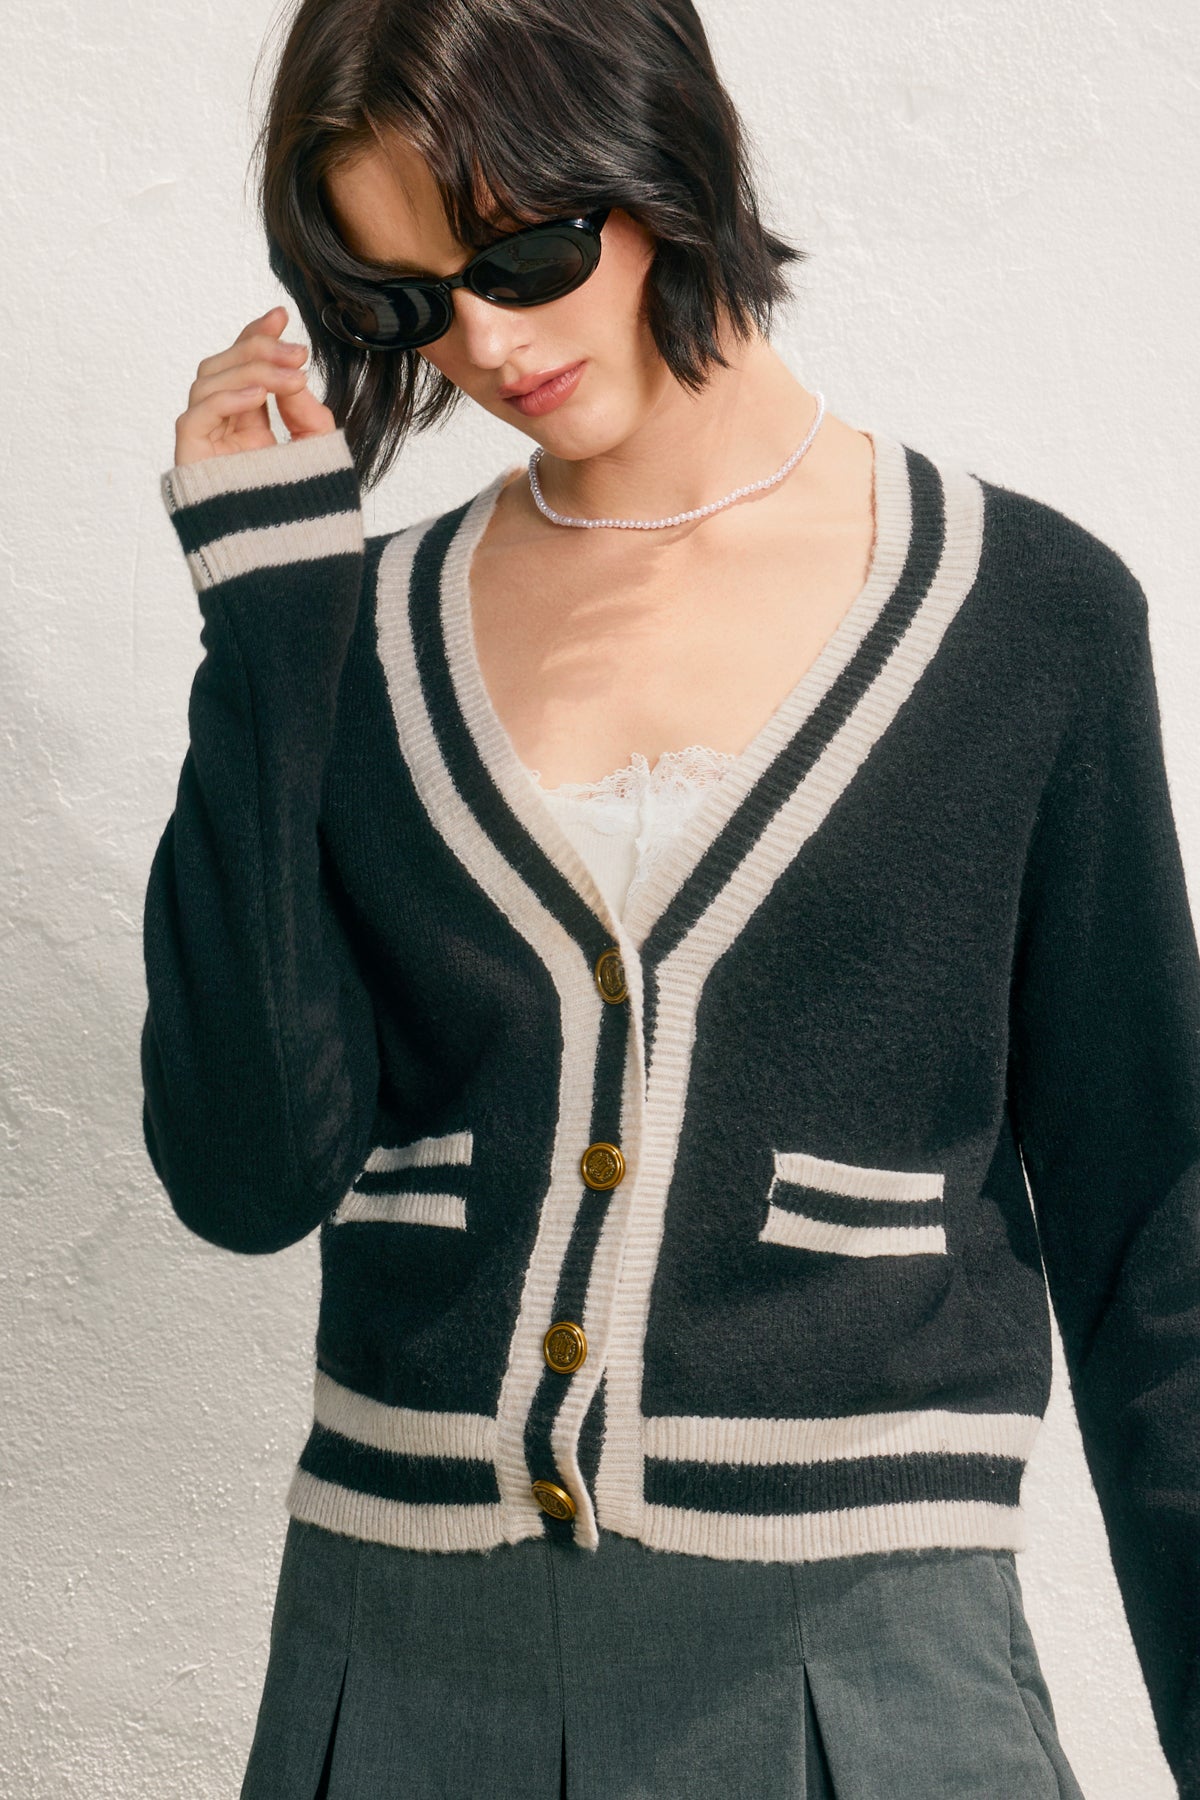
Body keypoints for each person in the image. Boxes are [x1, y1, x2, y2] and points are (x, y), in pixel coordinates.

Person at [141, 0, 1200, 1795]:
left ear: (660, 157)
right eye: (409, 301)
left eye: (523, 254)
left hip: (862, 1675)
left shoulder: (1030, 617)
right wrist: (265, 636)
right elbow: (245, 1179)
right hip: (390, 1670)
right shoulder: (355, 638)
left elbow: (1153, 1235)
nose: (485, 342)